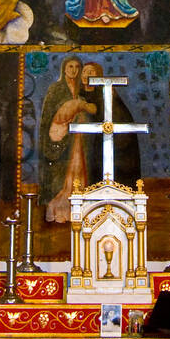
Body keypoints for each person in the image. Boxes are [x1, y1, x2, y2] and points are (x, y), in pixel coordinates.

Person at [38, 56, 97, 222]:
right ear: (64, 69)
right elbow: (49, 116)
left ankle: (80, 206)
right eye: (70, 67)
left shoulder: (81, 89)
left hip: (79, 140)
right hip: (61, 137)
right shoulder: (56, 89)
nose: (74, 70)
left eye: (77, 67)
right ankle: (60, 209)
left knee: (79, 171)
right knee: (62, 175)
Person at [78, 61, 141, 190]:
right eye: (84, 71)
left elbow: (115, 119)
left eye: (91, 72)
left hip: (110, 145)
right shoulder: (77, 94)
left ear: (99, 75)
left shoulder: (106, 93)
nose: (86, 75)